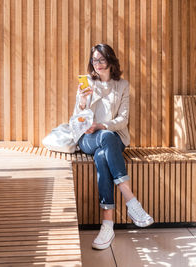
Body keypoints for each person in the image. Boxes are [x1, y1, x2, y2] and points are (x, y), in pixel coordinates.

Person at [73, 44, 154, 250]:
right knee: (103, 141)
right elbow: (76, 118)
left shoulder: (122, 85)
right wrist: (82, 102)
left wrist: (101, 125)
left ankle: (107, 226)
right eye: (94, 60)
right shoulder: (87, 84)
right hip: (89, 137)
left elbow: (123, 119)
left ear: (110, 61)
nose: (97, 64)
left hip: (114, 138)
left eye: (101, 59)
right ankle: (131, 201)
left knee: (102, 155)